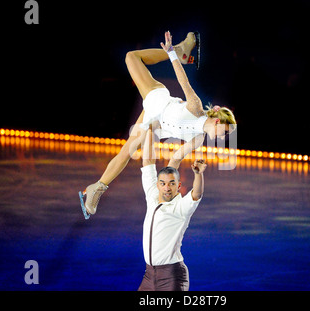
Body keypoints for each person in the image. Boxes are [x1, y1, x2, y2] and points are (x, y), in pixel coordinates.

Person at [79, 31, 236, 219]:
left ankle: (96, 190)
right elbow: (183, 81)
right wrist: (170, 53)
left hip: (153, 120)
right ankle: (179, 51)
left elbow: (175, 160)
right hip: (157, 98)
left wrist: (166, 187)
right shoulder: (196, 107)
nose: (222, 138)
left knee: (126, 151)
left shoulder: (199, 139)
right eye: (225, 133)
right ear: (218, 121)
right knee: (131, 57)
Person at [138, 127, 206, 291]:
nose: (167, 188)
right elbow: (148, 162)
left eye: (172, 184)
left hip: (172, 276)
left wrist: (198, 174)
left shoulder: (181, 207)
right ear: (158, 185)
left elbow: (197, 193)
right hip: (148, 275)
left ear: (179, 186)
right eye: (163, 183)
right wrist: (149, 129)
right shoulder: (152, 196)